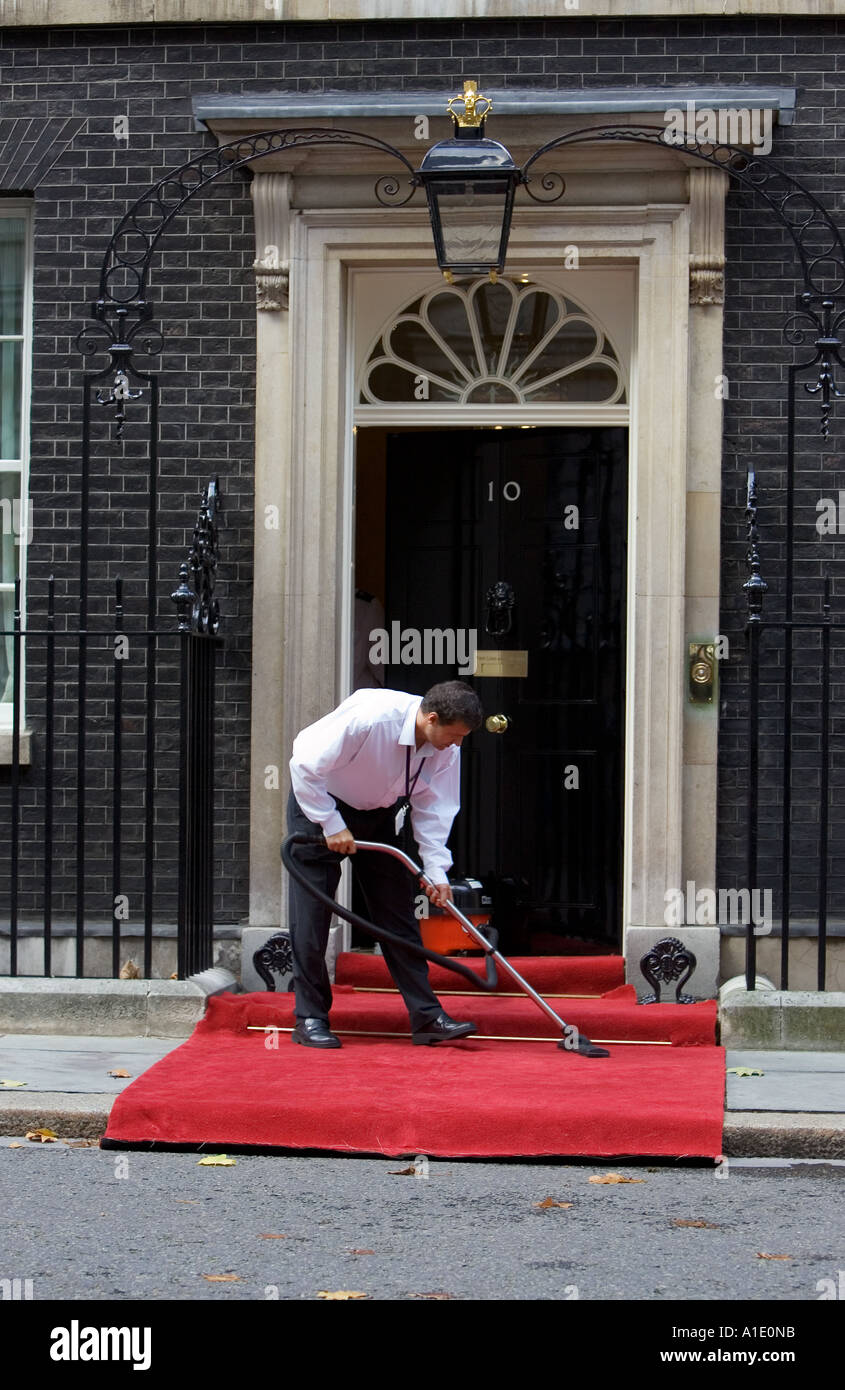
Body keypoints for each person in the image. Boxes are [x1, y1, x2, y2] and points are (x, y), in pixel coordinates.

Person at [285, 680, 484, 1049]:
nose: (456, 745)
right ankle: (310, 1018)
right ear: (432, 718)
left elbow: (436, 809)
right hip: (321, 803)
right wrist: (330, 823)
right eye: (453, 736)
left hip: (379, 813)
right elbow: (304, 765)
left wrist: (436, 871)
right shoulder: (372, 719)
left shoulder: (445, 750)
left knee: (397, 916)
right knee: (312, 918)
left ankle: (427, 1017)